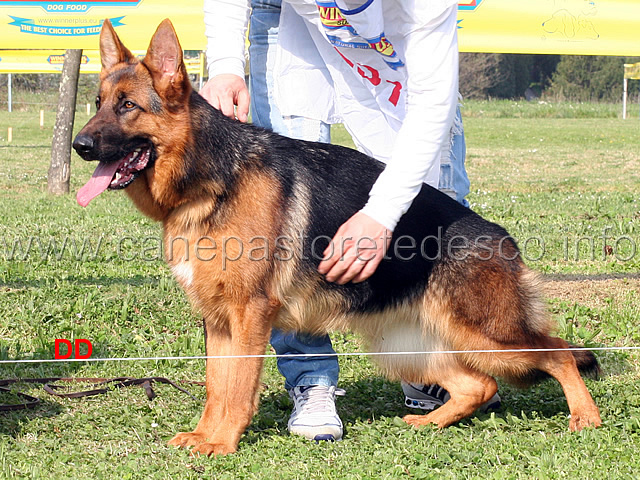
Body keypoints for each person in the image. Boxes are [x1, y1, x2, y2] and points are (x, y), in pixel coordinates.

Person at [202, 0, 497, 442]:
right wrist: (225, 62)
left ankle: (432, 361)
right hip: (289, 20)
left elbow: (431, 105)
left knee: (436, 198)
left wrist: (380, 215)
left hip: (397, 40)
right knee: (283, 213)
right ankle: (312, 381)